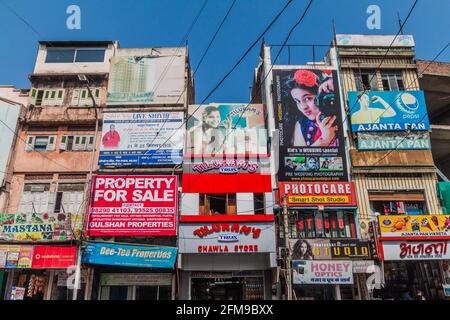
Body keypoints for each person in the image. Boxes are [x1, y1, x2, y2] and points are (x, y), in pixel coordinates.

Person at [286, 69, 338, 147]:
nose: (303, 107)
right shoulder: (302, 125)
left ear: (321, 94)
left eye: (308, 98)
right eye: (298, 101)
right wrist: (325, 139)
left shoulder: (339, 114)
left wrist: (331, 80)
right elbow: (298, 158)